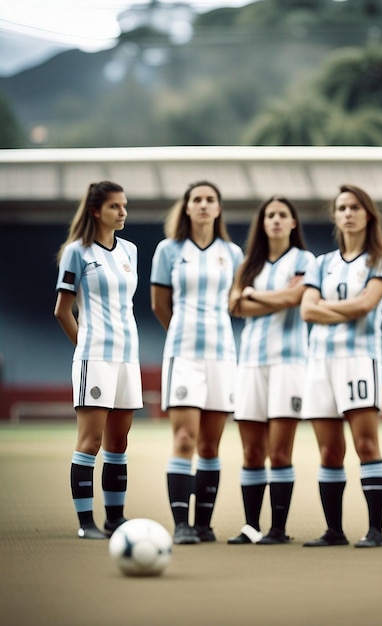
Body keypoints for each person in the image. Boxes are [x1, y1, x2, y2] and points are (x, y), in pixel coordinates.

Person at [300, 184, 382, 548]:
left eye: (355, 207)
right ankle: (334, 531)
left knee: (366, 445)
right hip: (320, 361)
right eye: (342, 208)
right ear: (336, 216)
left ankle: (375, 531)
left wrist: (326, 307)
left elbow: (365, 306)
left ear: (367, 214)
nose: (348, 213)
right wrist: (341, 307)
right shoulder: (320, 263)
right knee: (328, 452)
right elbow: (306, 309)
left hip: (358, 360)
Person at [150, 180, 243, 545]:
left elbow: (238, 302)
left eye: (210, 200)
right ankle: (181, 524)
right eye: (196, 200)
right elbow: (159, 304)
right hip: (184, 355)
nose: (203, 205)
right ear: (186, 208)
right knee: (185, 438)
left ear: (218, 209)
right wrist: (181, 333)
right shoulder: (168, 250)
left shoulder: (233, 253)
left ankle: (204, 524)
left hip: (222, 355)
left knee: (210, 445)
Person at [54, 181, 142, 539]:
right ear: (95, 211)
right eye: (114, 207)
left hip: (128, 357)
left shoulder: (131, 251)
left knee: (119, 443)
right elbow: (62, 311)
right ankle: (85, 523)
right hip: (95, 357)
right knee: (91, 441)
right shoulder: (77, 252)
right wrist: (85, 347)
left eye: (124, 206)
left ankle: (115, 519)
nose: (122, 212)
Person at [227, 195, 315, 545]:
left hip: (289, 363)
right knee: (251, 452)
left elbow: (294, 300)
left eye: (283, 215)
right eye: (270, 215)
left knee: (279, 452)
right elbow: (235, 307)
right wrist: (270, 296)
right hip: (250, 363)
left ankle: (278, 529)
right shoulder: (249, 263)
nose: (276, 220)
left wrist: (253, 295)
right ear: (262, 223)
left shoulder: (304, 260)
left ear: (293, 223)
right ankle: (251, 526)